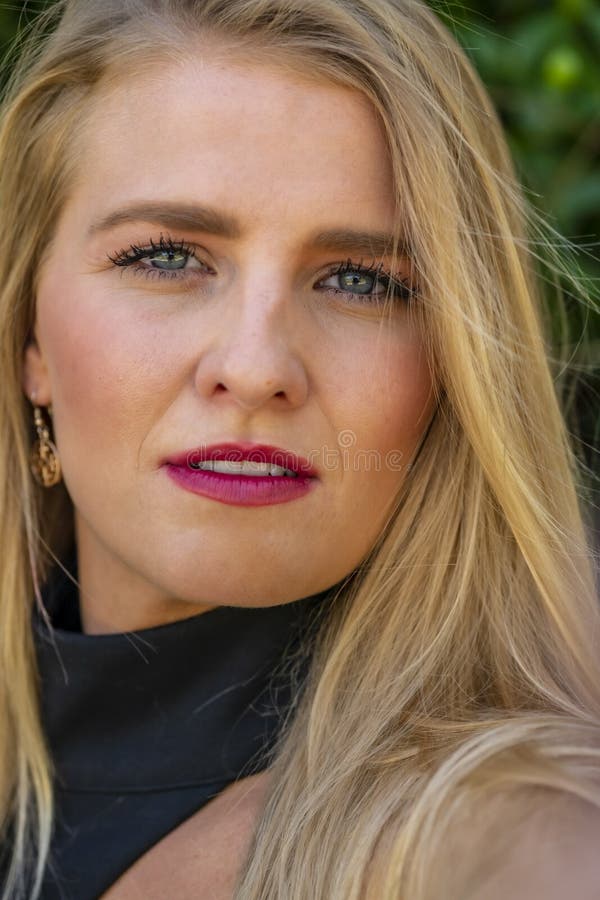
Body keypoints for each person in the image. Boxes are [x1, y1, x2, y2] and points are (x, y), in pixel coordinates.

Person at [0, 0, 599, 897]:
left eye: (360, 280)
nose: (255, 367)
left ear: (452, 372)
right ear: (30, 344)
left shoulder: (499, 837)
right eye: (166, 257)